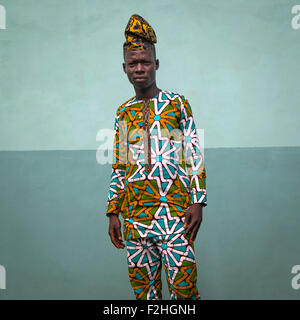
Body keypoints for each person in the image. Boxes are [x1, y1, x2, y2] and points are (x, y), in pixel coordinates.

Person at [105, 14, 207, 300]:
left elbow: (193, 153)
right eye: (133, 64)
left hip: (175, 213)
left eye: (146, 62)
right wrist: (113, 210)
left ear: (156, 65)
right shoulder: (123, 112)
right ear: (124, 68)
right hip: (135, 217)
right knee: (145, 295)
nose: (140, 69)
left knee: (184, 293)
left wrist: (197, 200)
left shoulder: (176, 104)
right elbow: (120, 164)